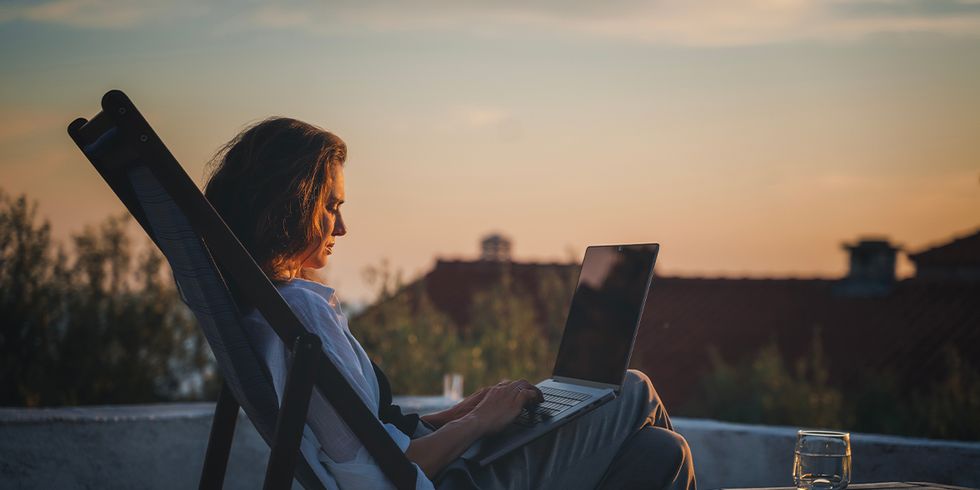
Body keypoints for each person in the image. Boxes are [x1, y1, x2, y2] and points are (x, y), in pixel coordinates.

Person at [204, 117, 696, 490]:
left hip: (443, 466)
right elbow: (377, 477)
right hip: (451, 481)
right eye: (331, 206)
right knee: (631, 386)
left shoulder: (260, 313)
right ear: (293, 203)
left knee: (660, 453)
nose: (342, 226)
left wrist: (463, 412)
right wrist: (481, 424)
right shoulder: (301, 315)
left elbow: (368, 435)